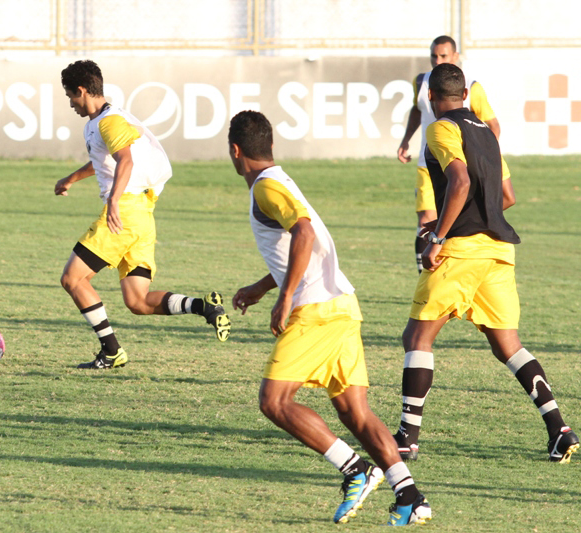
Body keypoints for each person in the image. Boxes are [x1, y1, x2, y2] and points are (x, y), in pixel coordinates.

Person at [228, 110, 431, 526]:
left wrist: (285, 296)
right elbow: (303, 245)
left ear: (235, 151)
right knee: (356, 413)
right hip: (342, 306)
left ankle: (355, 469)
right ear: (270, 145)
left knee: (274, 401)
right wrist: (263, 286)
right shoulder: (279, 180)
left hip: (315, 310)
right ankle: (411, 496)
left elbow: (304, 232)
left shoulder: (266, 187)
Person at [392, 63, 579, 464]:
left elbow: (459, 181)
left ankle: (407, 438)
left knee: (417, 338)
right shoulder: (488, 133)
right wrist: (475, 215)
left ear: (430, 96)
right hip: (498, 250)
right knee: (508, 345)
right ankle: (559, 430)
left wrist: (438, 236)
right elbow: (507, 197)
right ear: (465, 94)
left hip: (461, 251)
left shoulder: (441, 128)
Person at [56, 60, 231, 369]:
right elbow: (105, 161)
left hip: (125, 211)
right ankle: (203, 307)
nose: (70, 103)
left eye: (70, 95)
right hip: (142, 215)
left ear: (81, 91)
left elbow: (126, 160)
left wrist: (113, 200)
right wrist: (71, 178)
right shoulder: (105, 121)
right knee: (138, 301)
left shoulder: (110, 122)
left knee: (73, 279)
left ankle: (111, 351)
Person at [397, 35, 501, 273]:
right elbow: (417, 110)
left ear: (455, 56)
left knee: (456, 215)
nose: (437, 60)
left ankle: (449, 267)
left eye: (443, 55)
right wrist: (406, 140)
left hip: (461, 165)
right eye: (433, 56)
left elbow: (492, 125)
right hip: (428, 164)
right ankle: (425, 273)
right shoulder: (421, 82)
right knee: (426, 219)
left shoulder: (472, 86)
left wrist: (486, 158)